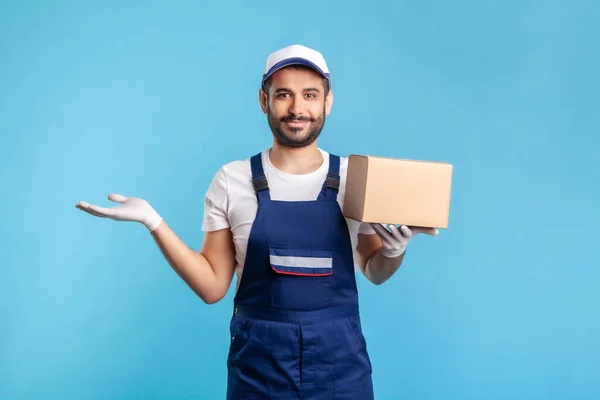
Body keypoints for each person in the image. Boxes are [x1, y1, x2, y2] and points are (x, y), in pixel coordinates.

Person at [76, 44, 439, 399]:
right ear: (264, 100)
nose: (297, 108)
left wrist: (394, 251)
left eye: (310, 95)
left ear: (328, 102)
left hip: (340, 373)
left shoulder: (354, 178)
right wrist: (153, 221)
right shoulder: (231, 180)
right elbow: (212, 288)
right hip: (259, 373)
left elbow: (375, 271)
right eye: (284, 94)